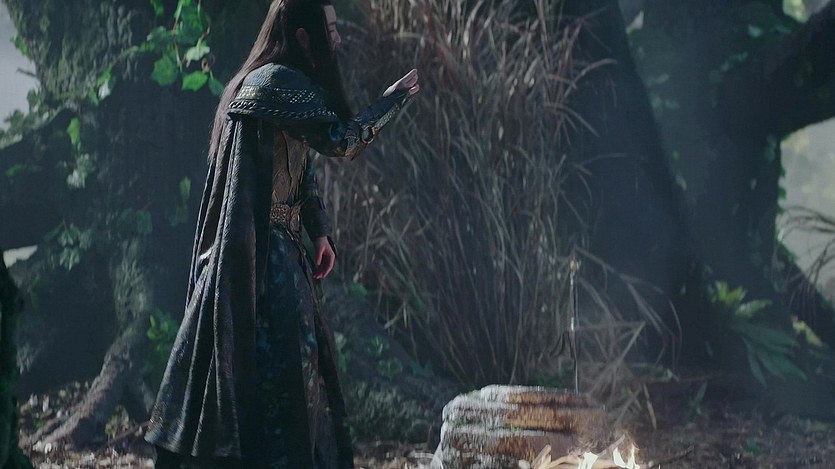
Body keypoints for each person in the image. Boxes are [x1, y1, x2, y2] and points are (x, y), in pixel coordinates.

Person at [143, 0, 419, 467]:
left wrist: (319, 231)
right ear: (303, 36)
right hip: (262, 258)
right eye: (329, 29)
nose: (337, 38)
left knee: (293, 376)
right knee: (281, 375)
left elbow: (300, 166)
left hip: (279, 251)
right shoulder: (274, 82)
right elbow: (341, 141)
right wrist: (392, 101)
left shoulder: (277, 84)